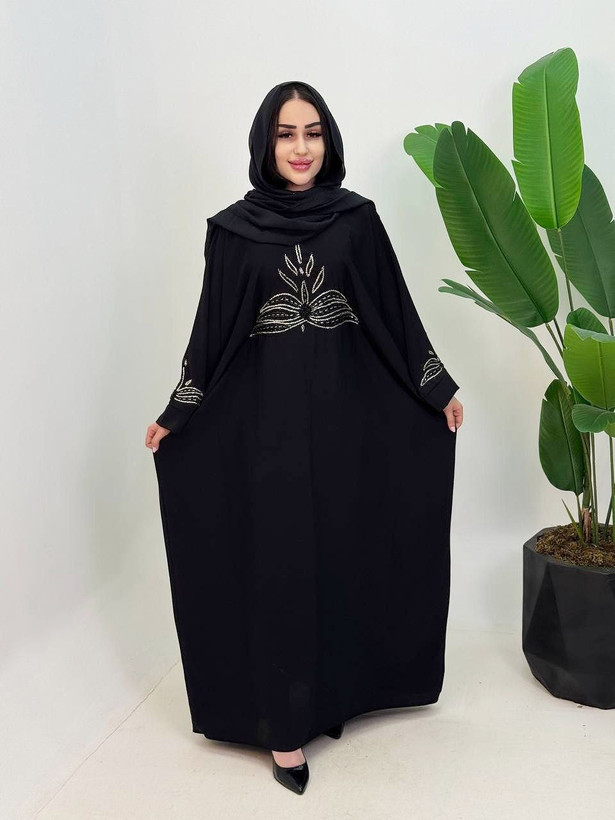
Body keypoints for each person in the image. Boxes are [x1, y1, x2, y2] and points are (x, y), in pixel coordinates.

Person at [145, 80, 463, 796]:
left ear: (329, 141)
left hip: (348, 426)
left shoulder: (357, 221)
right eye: (286, 134)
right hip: (264, 434)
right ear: (265, 143)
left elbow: (394, 313)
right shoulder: (232, 232)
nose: (300, 148)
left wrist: (435, 388)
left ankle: (334, 698)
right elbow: (211, 335)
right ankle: (282, 728)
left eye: (312, 133)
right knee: (279, 564)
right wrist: (178, 413)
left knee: (341, 555)